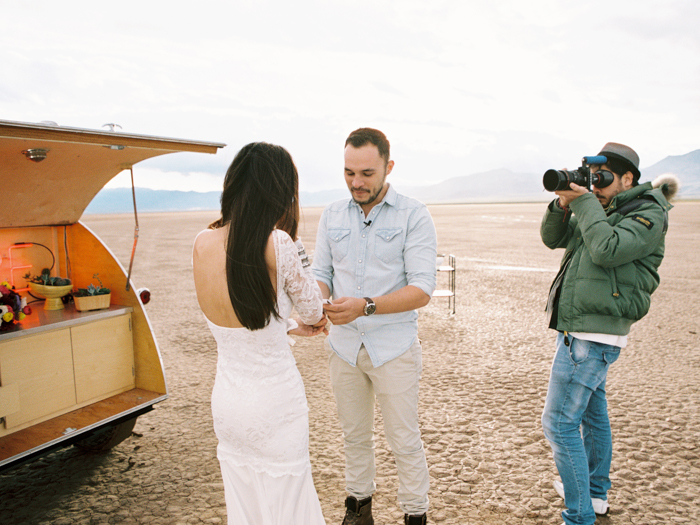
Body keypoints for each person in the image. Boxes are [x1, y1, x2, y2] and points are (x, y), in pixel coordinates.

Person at [540, 142, 678, 525]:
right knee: (591, 415)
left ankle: (578, 514)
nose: (596, 186)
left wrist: (585, 203)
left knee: (558, 422)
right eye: (592, 179)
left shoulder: (648, 212)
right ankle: (595, 496)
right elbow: (554, 239)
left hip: (593, 331)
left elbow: (606, 249)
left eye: (603, 179)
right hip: (578, 324)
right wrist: (563, 204)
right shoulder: (602, 208)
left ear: (628, 179)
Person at [193, 142, 328, 524]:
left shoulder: (202, 242)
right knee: (289, 504)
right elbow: (315, 310)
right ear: (281, 191)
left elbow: (236, 319)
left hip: (229, 404)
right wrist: (308, 319)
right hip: (274, 406)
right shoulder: (278, 243)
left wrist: (285, 326)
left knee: (246, 506)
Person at [312, 128, 437, 525]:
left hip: (394, 348)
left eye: (366, 173)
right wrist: (313, 304)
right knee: (354, 437)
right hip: (343, 348)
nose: (356, 183)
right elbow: (321, 273)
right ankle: (358, 509)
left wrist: (365, 306)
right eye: (349, 173)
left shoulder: (413, 214)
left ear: (389, 166)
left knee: (404, 440)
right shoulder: (331, 214)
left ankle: (415, 515)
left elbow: (422, 289)